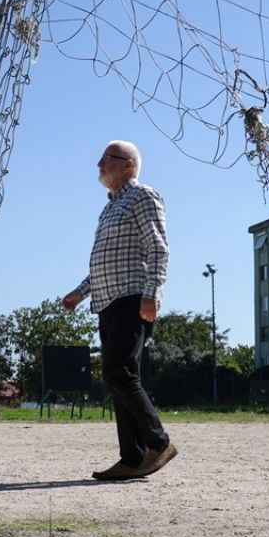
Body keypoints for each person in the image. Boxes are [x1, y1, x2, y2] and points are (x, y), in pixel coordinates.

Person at [63, 140, 177, 481]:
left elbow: (158, 248)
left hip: (132, 298)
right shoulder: (110, 206)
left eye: (106, 159)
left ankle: (159, 442)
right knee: (120, 378)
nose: (99, 164)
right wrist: (81, 292)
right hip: (107, 302)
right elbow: (106, 262)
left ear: (128, 165)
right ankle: (132, 458)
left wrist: (152, 294)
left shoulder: (143, 196)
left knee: (117, 371)